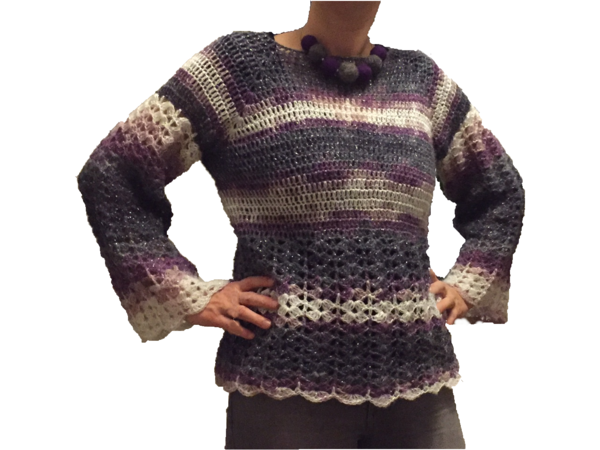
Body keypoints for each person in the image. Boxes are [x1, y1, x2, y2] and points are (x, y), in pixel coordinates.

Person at [76, 1, 525, 448]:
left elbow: (499, 190)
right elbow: (113, 172)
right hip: (282, 390)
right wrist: (181, 292)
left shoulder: (422, 82)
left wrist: (469, 283)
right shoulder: (238, 69)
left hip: (419, 385)